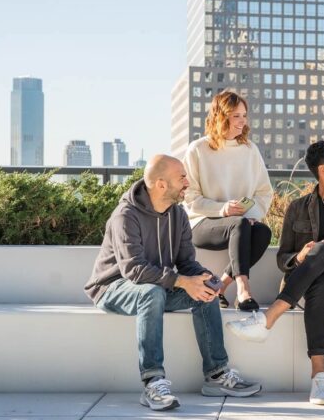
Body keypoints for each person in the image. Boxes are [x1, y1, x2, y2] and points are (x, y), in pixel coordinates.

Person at [84, 155, 261, 412]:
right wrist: (181, 281)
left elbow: (186, 261)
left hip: (155, 284)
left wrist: (202, 278)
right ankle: (153, 382)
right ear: (161, 185)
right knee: (151, 294)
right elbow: (132, 269)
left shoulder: (177, 214)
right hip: (113, 287)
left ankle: (216, 374)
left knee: (207, 288)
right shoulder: (126, 215)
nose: (187, 183)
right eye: (182, 178)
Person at [225, 139, 324, 406]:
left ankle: (267, 320)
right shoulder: (298, 207)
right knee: (318, 282)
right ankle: (319, 377)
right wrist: (298, 256)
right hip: (310, 291)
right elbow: (282, 258)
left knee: (323, 250)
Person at [183, 91, 274, 312]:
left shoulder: (250, 150)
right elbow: (189, 197)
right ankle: (243, 290)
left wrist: (249, 215)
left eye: (244, 115)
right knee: (239, 224)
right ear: (220, 117)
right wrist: (223, 210)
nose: (243, 121)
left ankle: (220, 287)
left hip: (240, 223)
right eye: (236, 116)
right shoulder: (197, 149)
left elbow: (264, 192)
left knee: (262, 232)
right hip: (201, 224)